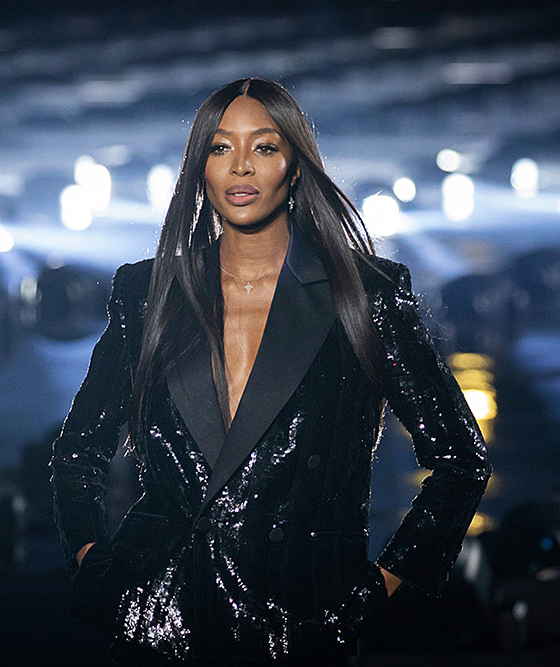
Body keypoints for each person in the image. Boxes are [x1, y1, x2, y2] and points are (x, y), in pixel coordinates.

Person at [49, 77, 491, 666]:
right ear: (199, 168)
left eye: (263, 147)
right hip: (157, 619)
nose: (240, 168)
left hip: (299, 623)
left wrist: (375, 589)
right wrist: (95, 563)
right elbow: (78, 449)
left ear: (296, 167)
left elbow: (461, 459)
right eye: (220, 148)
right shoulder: (148, 292)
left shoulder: (365, 296)